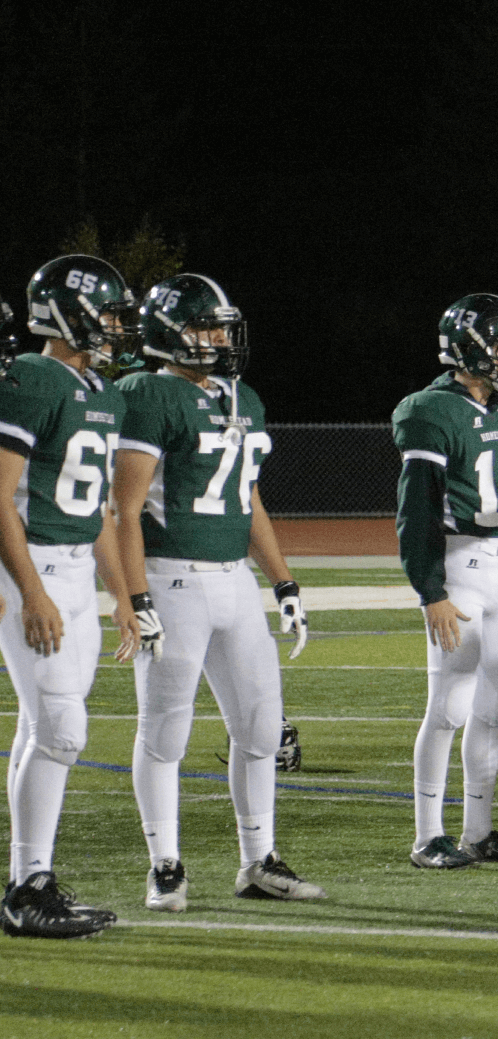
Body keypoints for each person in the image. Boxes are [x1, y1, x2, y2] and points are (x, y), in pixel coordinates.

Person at [112, 273, 322, 912]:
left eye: (222, 327)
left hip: (235, 582)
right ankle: (164, 865)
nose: (219, 339)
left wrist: (282, 580)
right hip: (173, 580)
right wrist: (135, 597)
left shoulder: (241, 398)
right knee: (165, 732)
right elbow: (124, 510)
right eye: (205, 327)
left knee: (260, 729)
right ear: (168, 332)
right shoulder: (146, 393)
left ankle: (258, 860)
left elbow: (247, 498)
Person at [0, 255, 139, 939]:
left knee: (41, 729)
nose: (115, 326)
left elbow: (102, 510)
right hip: (38, 569)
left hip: (79, 571)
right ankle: (27, 887)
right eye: (106, 313)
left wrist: (123, 594)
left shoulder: (101, 391)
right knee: (62, 731)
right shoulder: (31, 378)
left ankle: (30, 880)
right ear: (68, 314)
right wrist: (31, 590)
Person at [394, 294, 498, 869]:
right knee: (449, 705)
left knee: (496, 706)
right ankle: (426, 836)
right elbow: (416, 511)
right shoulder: (429, 410)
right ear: (470, 348)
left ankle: (478, 832)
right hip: (457, 566)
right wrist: (430, 591)